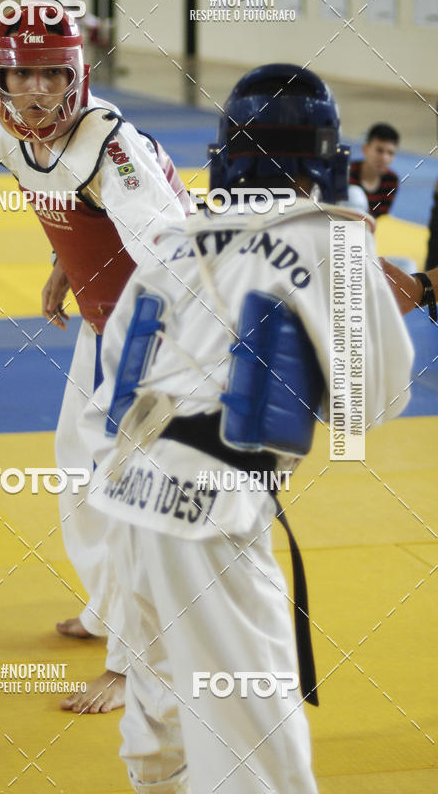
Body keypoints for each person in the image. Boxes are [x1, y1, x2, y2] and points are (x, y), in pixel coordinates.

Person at [82, 64, 414, 792]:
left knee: (160, 717)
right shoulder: (331, 239)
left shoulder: (174, 237)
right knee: (259, 740)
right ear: (325, 156)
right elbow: (371, 402)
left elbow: (110, 380)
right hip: (211, 511)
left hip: (125, 498)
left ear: (225, 154)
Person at [0, 2, 188, 712]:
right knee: (75, 464)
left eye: (53, 74)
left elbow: (175, 254)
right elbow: (69, 203)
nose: (37, 91)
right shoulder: (4, 135)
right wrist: (65, 265)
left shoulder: (110, 146)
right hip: (105, 319)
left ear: (78, 75)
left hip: (158, 328)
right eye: (22, 75)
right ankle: (107, 606)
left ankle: (138, 663)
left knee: (131, 490)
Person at [349, 122, 400, 217]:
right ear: (365, 149)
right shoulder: (346, 173)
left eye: (390, 153)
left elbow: (379, 217)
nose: (384, 158)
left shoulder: (391, 181)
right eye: (379, 150)